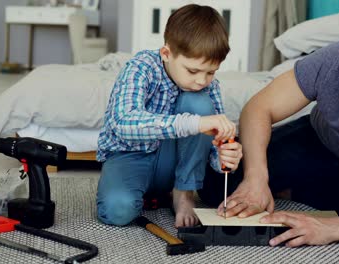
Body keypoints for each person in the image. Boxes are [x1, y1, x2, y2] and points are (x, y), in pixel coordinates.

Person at [199, 24, 339, 246]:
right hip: (319, 140)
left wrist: (335, 229)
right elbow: (259, 108)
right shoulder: (338, 58)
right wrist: (256, 177)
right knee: (216, 183)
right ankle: (296, 187)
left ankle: (295, 190)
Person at [96, 4, 243, 228]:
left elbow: (211, 150)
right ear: (166, 53)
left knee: (199, 102)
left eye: (211, 72)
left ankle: (183, 194)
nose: (202, 80)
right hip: (129, 156)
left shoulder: (208, 87)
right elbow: (122, 122)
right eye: (192, 71)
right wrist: (194, 124)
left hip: (174, 161)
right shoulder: (141, 67)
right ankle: (141, 192)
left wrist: (225, 158)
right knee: (118, 211)